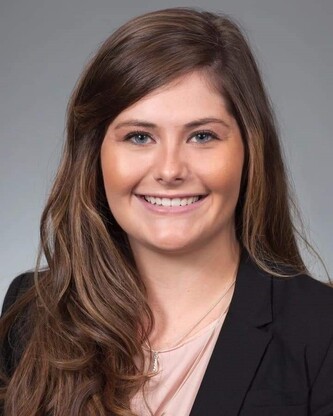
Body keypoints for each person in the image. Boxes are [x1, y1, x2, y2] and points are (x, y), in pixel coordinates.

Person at [0, 6, 332, 416]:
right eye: (139, 137)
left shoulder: (321, 332)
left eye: (202, 135)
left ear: (250, 150)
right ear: (95, 155)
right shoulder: (33, 312)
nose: (170, 170)